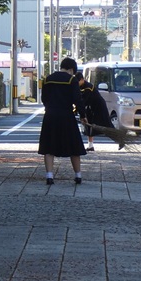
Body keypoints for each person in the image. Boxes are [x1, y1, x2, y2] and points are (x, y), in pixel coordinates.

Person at [38, 57, 88, 185]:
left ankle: (49, 176)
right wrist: (83, 115)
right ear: (71, 69)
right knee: (74, 146)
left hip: (50, 116)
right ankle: (78, 175)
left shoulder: (47, 79)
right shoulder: (72, 80)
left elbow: (44, 99)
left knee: (49, 146)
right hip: (66, 116)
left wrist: (50, 107)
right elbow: (77, 99)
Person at [76, 71, 122, 151]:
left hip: (99, 107)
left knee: (106, 125)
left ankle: (120, 140)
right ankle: (90, 145)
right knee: (89, 125)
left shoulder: (88, 87)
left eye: (78, 82)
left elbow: (83, 101)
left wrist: (77, 109)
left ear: (82, 79)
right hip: (90, 107)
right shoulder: (80, 87)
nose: (77, 84)